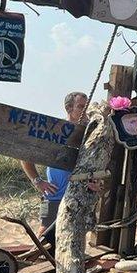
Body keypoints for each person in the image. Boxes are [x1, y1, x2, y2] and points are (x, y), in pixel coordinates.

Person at [20, 91, 88, 234]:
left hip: (79, 194)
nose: (85, 111)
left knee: (75, 234)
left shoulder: (89, 132)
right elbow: (26, 156)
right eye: (81, 107)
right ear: (69, 108)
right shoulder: (56, 131)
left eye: (86, 106)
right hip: (55, 194)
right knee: (46, 232)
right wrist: (37, 181)